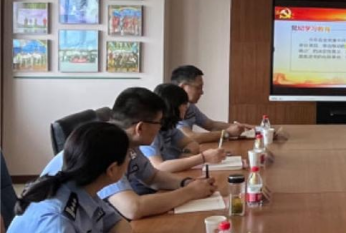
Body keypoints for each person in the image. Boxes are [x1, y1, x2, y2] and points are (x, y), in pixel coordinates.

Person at [1, 122, 141, 233]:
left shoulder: (83, 191)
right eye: (129, 155)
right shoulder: (55, 214)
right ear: (112, 169)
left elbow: (120, 226)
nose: (130, 160)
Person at [42, 88, 217, 220]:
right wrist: (189, 193)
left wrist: (187, 183)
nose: (161, 128)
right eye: (158, 122)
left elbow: (153, 177)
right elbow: (132, 208)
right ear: (140, 128)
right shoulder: (105, 146)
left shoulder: (128, 142)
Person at [140, 84, 226, 173]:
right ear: (174, 105)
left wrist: (185, 157)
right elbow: (159, 167)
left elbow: (192, 144)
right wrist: (203, 158)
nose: (187, 107)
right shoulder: (150, 132)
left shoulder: (169, 128)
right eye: (184, 104)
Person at [170, 65, 255, 143]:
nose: (202, 92)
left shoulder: (190, 107)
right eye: (198, 88)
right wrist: (226, 133)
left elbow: (211, 125)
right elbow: (189, 137)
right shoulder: (172, 108)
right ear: (183, 87)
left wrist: (242, 127)